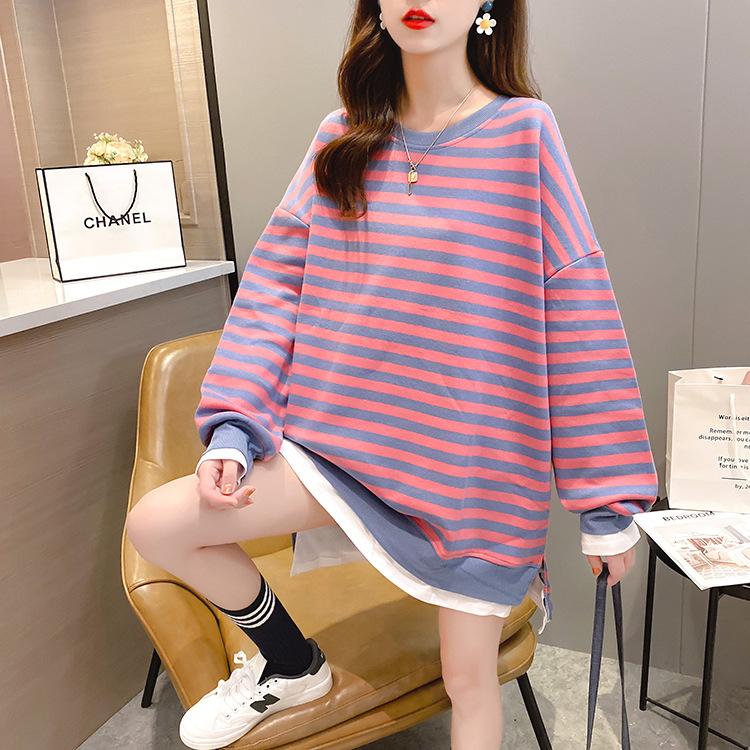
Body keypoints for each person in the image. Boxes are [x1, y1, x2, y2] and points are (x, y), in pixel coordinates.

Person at [125, 1, 659, 748]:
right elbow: (274, 287)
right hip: (340, 451)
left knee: (469, 681)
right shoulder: (341, 137)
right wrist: (234, 430)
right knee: (156, 524)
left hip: (472, 480)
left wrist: (605, 500)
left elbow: (576, 303)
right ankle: (291, 662)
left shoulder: (523, 133)